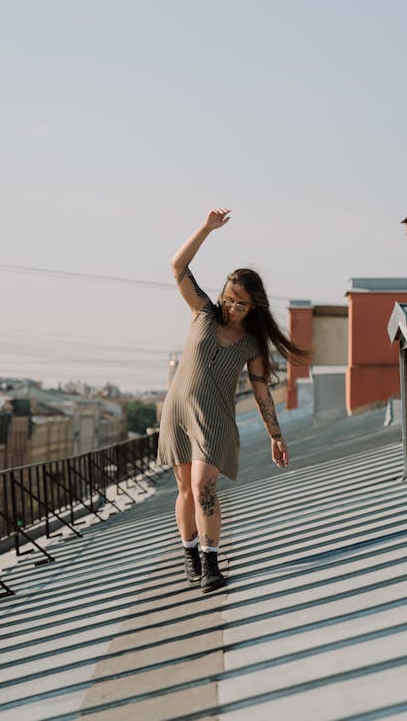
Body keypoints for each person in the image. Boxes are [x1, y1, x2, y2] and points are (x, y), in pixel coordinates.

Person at [157, 207, 308, 593]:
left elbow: (261, 393)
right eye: (230, 299)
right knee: (186, 490)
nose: (233, 308)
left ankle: (210, 561)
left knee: (204, 484)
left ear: (254, 307)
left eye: (242, 304)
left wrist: (276, 435)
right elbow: (177, 267)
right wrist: (207, 228)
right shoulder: (203, 312)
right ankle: (189, 553)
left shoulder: (252, 343)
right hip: (177, 411)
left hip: (214, 419)